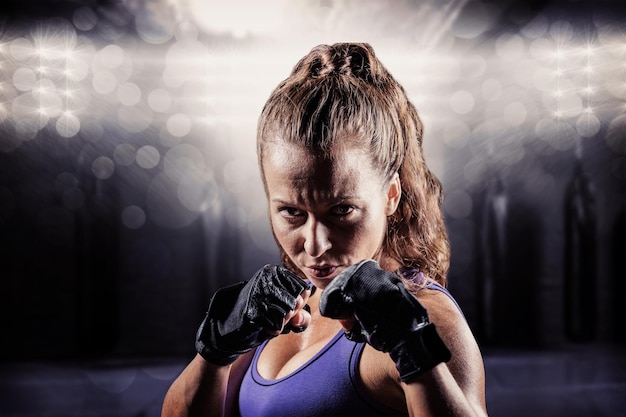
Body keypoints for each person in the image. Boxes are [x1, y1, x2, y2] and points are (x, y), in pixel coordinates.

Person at [161, 42, 487, 417]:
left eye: (342, 210)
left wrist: (413, 348)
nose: (315, 245)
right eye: (291, 212)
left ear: (391, 196)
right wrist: (216, 349)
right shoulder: (283, 313)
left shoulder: (427, 320)